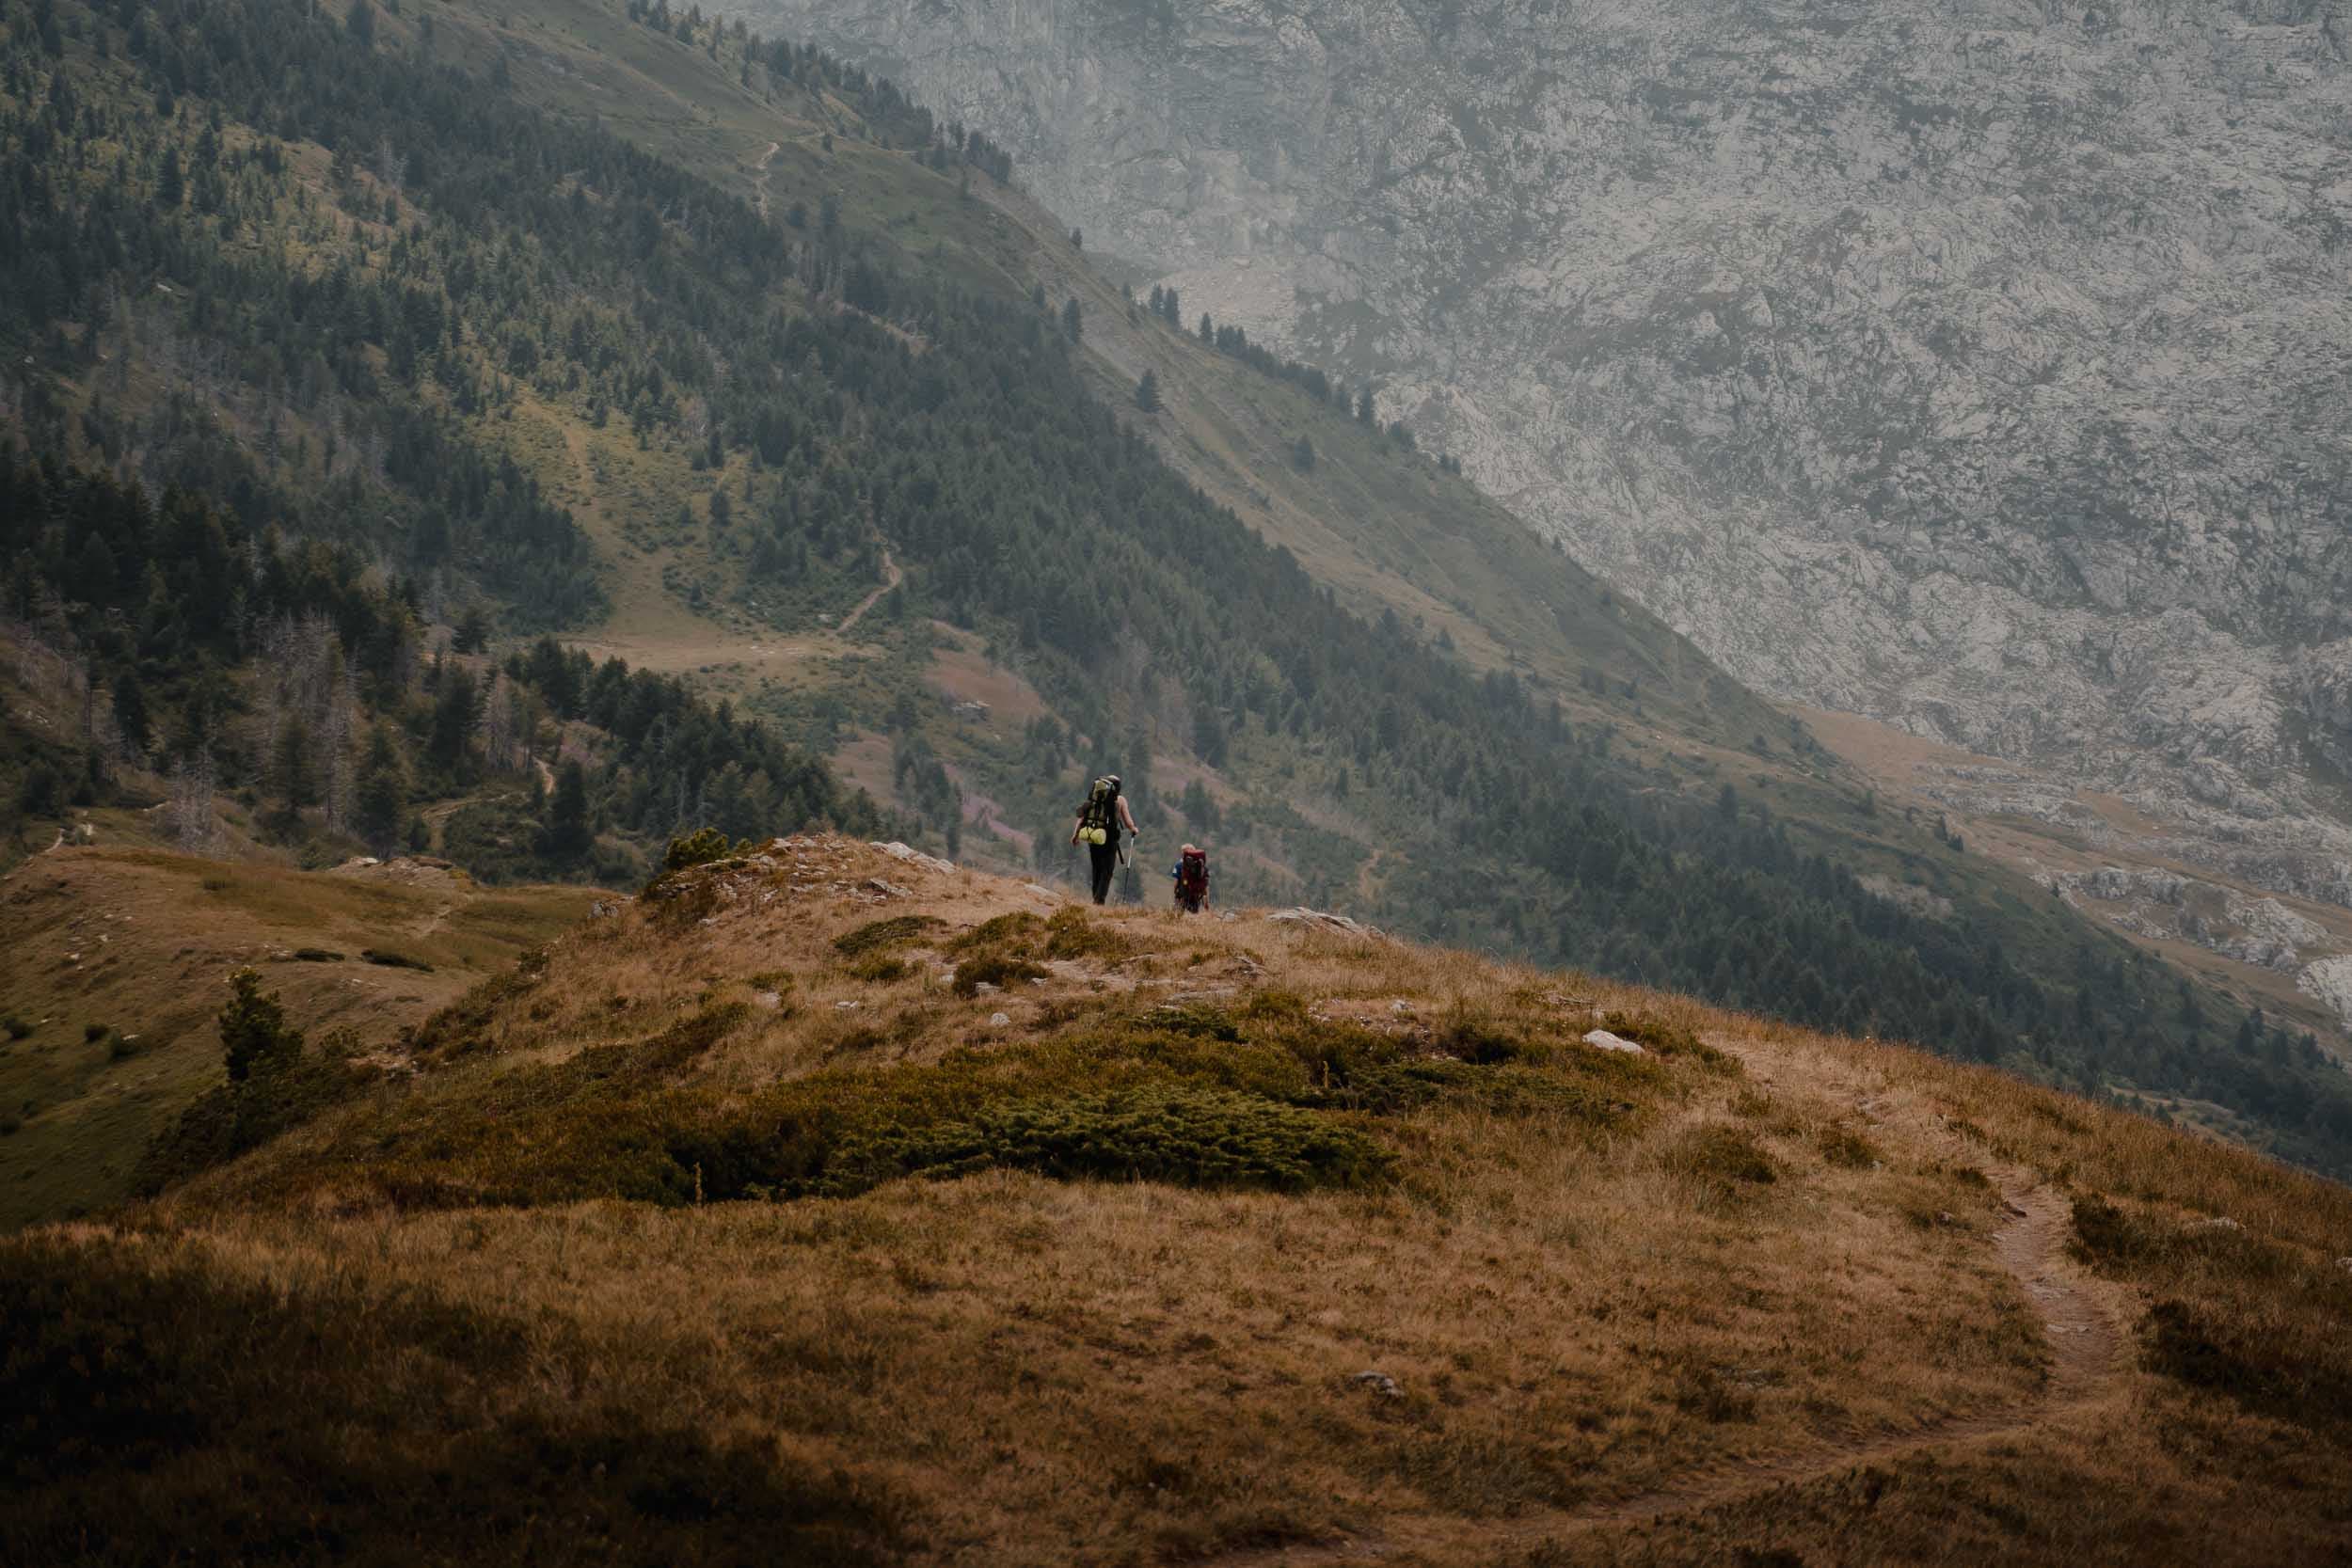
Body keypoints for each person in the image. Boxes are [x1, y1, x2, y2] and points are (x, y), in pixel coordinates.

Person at [1071, 773, 1139, 905]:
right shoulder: (1120, 800)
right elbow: (1128, 821)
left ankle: (1095, 897)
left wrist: (1075, 835)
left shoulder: (1095, 798)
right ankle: (1099, 900)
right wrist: (1133, 829)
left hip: (1094, 837)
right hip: (1109, 839)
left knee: (1096, 868)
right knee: (1107, 870)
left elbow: (1081, 818)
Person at [1170, 843, 1210, 913]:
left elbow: (1176, 882)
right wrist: (1205, 900)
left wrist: (1175, 891)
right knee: (1194, 914)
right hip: (1195, 895)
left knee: (1176, 915)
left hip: (1182, 894)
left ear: (1183, 853)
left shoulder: (1179, 865)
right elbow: (1205, 884)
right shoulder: (1202, 867)